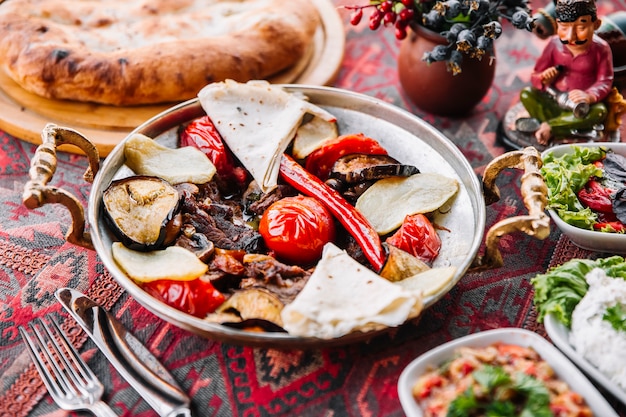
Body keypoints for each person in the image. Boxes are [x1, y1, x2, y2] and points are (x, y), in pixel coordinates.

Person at [520, 0, 614, 145]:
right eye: (564, 28)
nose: (570, 37)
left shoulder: (601, 48)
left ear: (595, 25)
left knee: (600, 111)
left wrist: (589, 96)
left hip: (582, 107)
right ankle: (567, 125)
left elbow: (605, 80)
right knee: (527, 94)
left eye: (581, 28)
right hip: (555, 98)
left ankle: (550, 126)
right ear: (557, 24)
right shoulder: (554, 45)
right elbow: (536, 75)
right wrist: (544, 78)